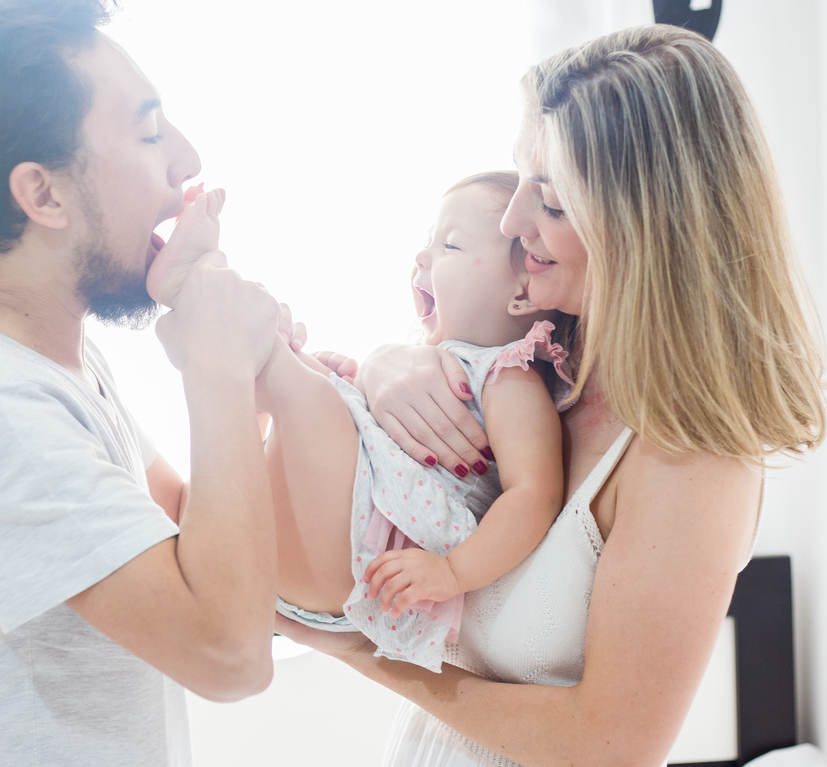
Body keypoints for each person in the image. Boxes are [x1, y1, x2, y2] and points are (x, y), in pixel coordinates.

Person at [278, 24, 827, 767]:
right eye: (520, 181)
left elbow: (610, 745)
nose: (512, 224)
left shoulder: (694, 462)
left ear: (643, 227)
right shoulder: (544, 367)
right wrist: (386, 363)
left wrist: (359, 650)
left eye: (552, 202)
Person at [0, 0, 284, 766]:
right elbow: (230, 656)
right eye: (149, 134)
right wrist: (216, 371)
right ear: (43, 194)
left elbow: (186, 525)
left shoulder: (28, 350)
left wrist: (252, 394)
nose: (187, 161)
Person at [152, 171, 572, 673]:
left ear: (523, 294)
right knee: (298, 371)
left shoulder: (509, 376)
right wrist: (343, 386)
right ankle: (209, 294)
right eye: (429, 241)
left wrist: (453, 571)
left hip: (370, 564)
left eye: (450, 246)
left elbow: (534, 495)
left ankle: (199, 284)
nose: (422, 257)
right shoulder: (424, 359)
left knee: (297, 380)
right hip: (302, 549)